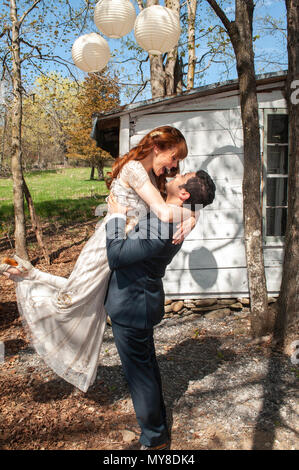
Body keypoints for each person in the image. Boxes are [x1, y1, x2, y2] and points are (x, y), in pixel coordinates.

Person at [0, 126, 196, 393]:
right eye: (173, 157)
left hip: (123, 243)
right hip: (108, 244)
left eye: (177, 161)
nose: (174, 165)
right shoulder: (135, 169)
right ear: (156, 147)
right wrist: (191, 216)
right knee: (73, 297)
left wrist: (192, 215)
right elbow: (163, 212)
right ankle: (30, 278)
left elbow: (163, 209)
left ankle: (31, 275)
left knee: (87, 300)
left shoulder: (150, 175)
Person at [104, 170, 216, 450]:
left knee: (139, 375)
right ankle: (157, 425)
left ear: (184, 194)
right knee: (146, 368)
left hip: (133, 304)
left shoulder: (164, 226)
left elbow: (116, 256)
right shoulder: (171, 214)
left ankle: (154, 439)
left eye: (183, 175)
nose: (176, 173)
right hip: (138, 301)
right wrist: (194, 216)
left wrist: (115, 217)